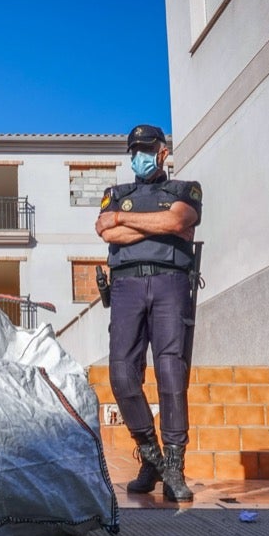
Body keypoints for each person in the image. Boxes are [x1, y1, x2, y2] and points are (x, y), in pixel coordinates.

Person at [95, 125, 202, 502]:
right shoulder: (116, 194)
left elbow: (178, 221)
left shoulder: (183, 190)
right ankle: (151, 454)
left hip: (170, 284)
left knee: (172, 371)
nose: (139, 155)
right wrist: (152, 224)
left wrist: (126, 221)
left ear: (161, 152)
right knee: (121, 373)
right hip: (125, 287)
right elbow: (106, 231)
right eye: (133, 149)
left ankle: (174, 464)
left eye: (146, 148)